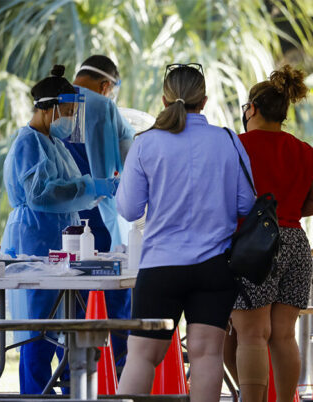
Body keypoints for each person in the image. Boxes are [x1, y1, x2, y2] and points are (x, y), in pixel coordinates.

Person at [115, 63, 254, 400]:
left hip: (161, 265)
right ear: (203, 101)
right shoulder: (227, 140)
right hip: (214, 267)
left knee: (142, 357)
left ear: (164, 100)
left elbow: (130, 210)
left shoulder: (146, 143)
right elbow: (246, 204)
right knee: (208, 356)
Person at [0, 65, 118, 394]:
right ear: (50, 108)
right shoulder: (28, 144)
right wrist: (89, 185)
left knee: (58, 322)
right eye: (67, 112)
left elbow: (69, 190)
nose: (69, 119)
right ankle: (35, 393)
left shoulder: (54, 142)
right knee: (39, 326)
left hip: (59, 241)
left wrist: (97, 190)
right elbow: (45, 193)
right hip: (35, 240)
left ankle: (63, 389)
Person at [232, 65, 313, 402]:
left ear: (252, 108)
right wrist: (290, 211)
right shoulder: (303, 150)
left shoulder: (237, 146)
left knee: (252, 334)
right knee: (284, 336)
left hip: (254, 245)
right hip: (296, 242)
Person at [58, 55, 135, 378]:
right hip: (99, 221)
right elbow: (131, 166)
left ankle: (69, 378)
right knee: (113, 298)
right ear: (107, 86)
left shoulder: (55, 104)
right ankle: (114, 374)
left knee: (68, 303)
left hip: (59, 221)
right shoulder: (106, 108)